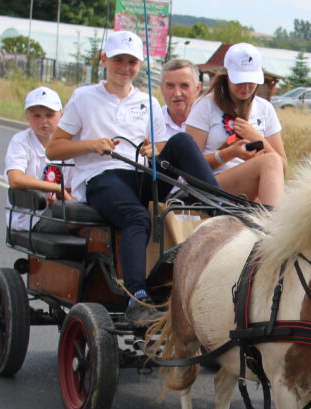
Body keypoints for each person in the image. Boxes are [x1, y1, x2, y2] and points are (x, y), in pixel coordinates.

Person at [47, 30, 218, 325]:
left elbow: (162, 147)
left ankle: (219, 207)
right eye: (119, 60)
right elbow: (54, 148)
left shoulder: (147, 101)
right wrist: (91, 144)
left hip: (138, 174)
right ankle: (137, 297)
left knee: (182, 143)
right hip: (100, 178)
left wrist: (156, 149)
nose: (125, 68)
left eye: (132, 62)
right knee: (137, 218)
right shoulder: (84, 97)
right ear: (105, 60)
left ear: (140, 65)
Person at [186, 42, 287, 206]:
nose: (246, 88)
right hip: (211, 184)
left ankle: (270, 220)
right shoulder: (205, 105)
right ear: (227, 76)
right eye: (240, 81)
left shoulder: (265, 109)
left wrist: (256, 137)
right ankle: (274, 226)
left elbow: (282, 167)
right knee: (270, 161)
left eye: (251, 81)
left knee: (272, 161)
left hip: (252, 182)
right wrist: (229, 154)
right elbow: (189, 164)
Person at [4, 86, 74, 233]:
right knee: (81, 228)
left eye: (49, 115)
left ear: (62, 115)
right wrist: (55, 188)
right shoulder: (21, 141)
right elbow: (15, 179)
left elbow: (71, 187)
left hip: (59, 209)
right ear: (27, 116)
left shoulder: (68, 145)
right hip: (30, 216)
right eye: (37, 116)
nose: (44, 121)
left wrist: (62, 199)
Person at [161, 58, 201, 136]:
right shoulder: (151, 122)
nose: (177, 93)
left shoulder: (210, 122)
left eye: (184, 86)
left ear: (197, 88)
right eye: (170, 86)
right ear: (162, 89)